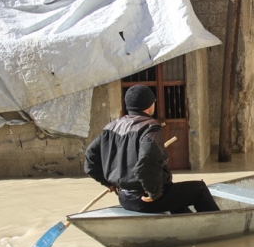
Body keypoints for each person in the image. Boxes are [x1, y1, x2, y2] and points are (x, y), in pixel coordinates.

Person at [84, 85, 220, 214]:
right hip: (146, 200)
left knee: (175, 194)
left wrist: (107, 182)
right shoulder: (150, 127)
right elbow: (147, 159)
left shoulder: (111, 127)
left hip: (124, 198)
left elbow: (90, 156)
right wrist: (153, 192)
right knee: (199, 189)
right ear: (150, 105)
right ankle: (219, 226)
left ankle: (188, 224)